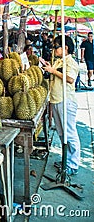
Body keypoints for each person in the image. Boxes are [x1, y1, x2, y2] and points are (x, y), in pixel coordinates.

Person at [43, 35, 80, 176]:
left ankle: (73, 164)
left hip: (66, 101)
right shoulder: (59, 62)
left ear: (65, 48)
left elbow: (70, 79)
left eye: (56, 46)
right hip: (57, 100)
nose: (54, 49)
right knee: (61, 133)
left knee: (69, 133)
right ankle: (66, 160)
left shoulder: (71, 63)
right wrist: (49, 67)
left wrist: (53, 71)